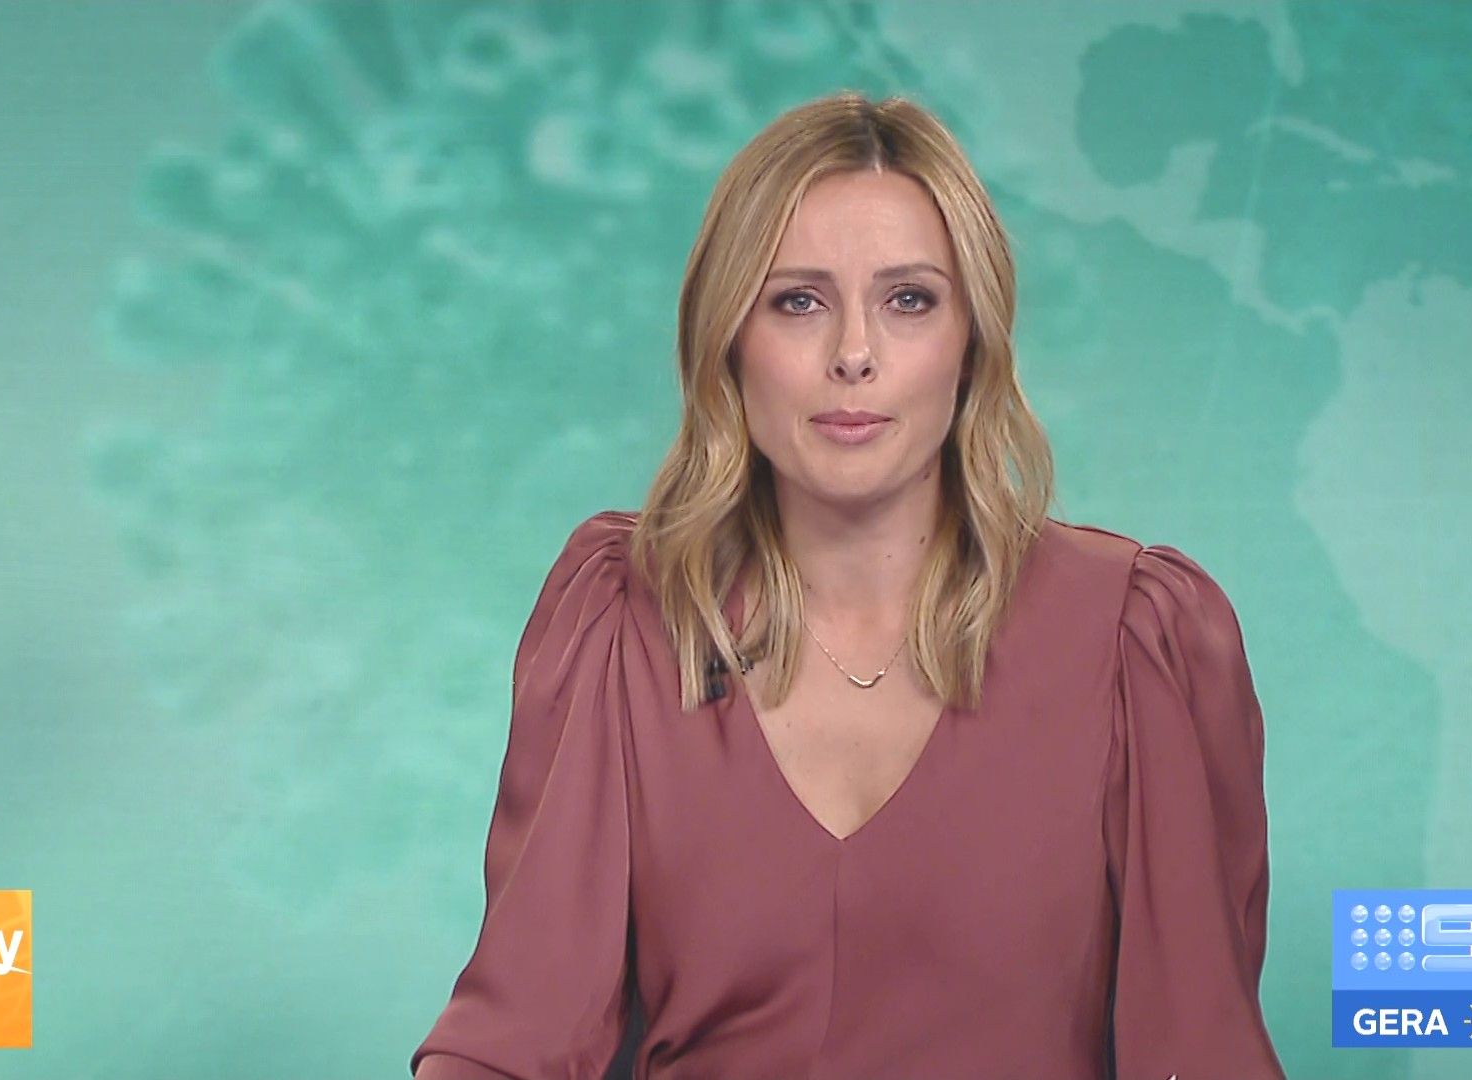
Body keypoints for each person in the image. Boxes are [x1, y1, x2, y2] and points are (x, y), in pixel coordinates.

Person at [409, 90, 1284, 1079]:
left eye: (909, 300)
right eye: (799, 301)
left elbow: (1201, 1049)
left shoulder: (1138, 636)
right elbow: (514, 1036)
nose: (854, 355)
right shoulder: (622, 621)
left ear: (973, 340)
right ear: (729, 339)